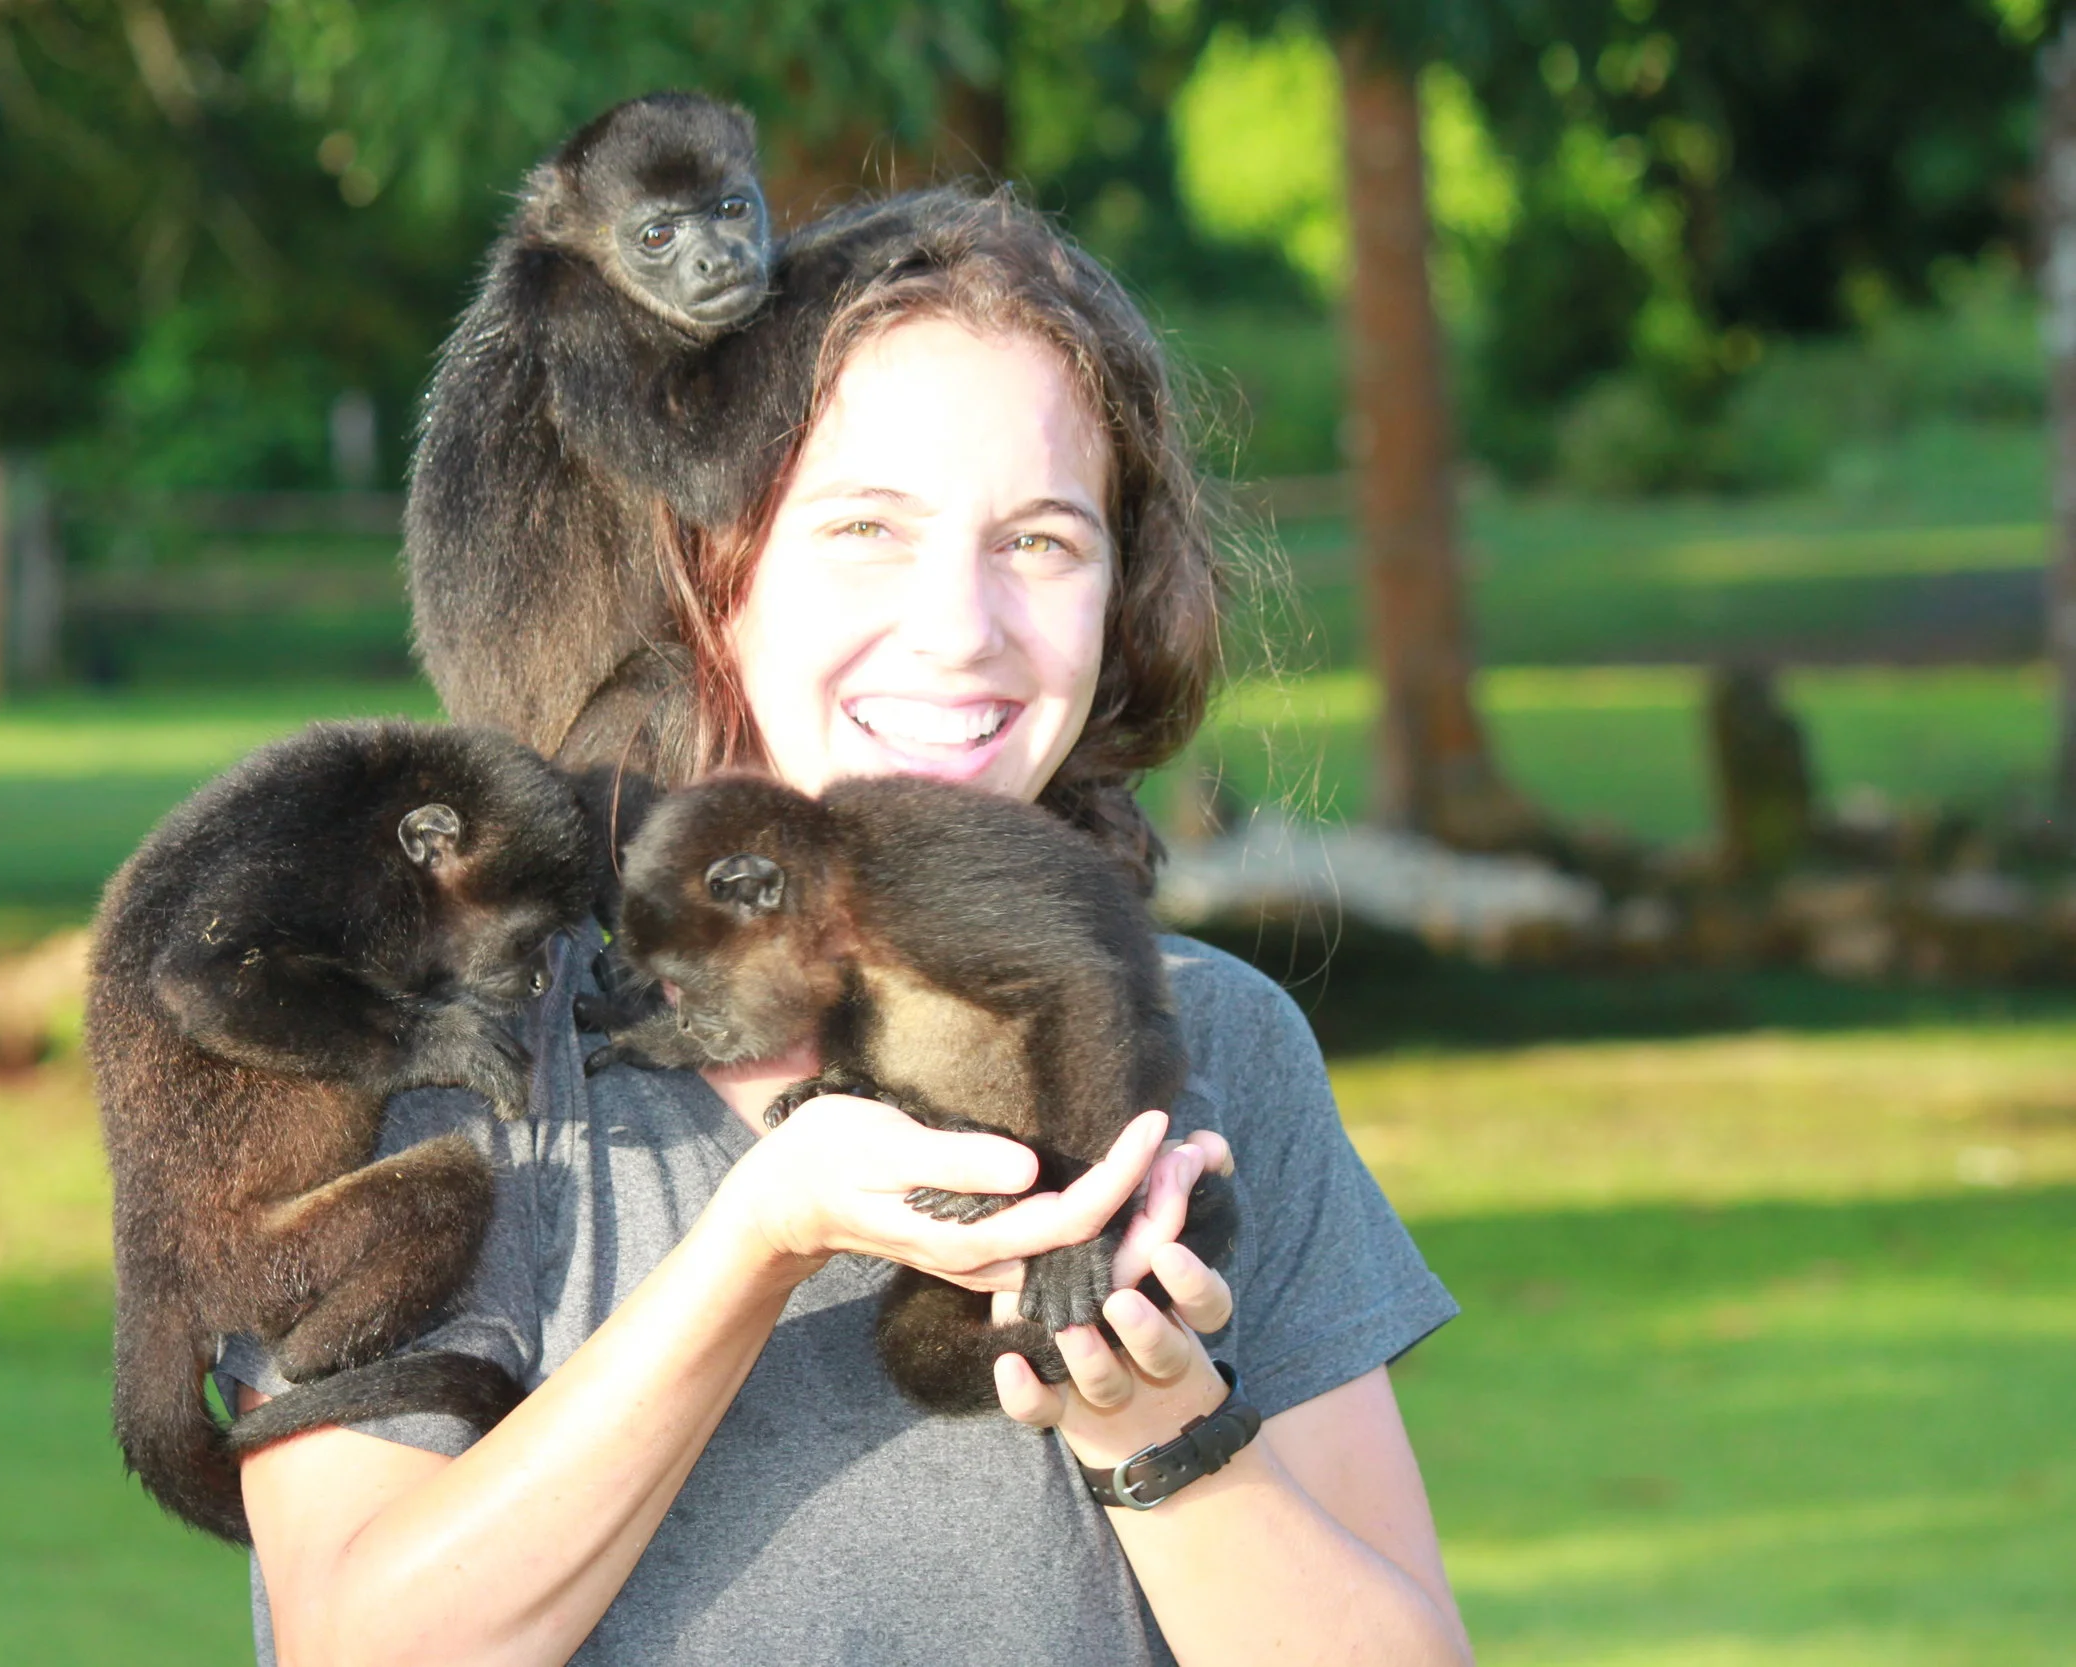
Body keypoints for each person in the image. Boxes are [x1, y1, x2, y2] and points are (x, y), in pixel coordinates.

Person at [224, 192, 1470, 1666]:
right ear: (712, 573)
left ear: (1120, 596)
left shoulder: (1213, 1044)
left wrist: (1154, 1415)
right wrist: (761, 1233)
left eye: (1045, 541)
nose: (962, 626)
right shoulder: (428, 1051)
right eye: (867, 528)